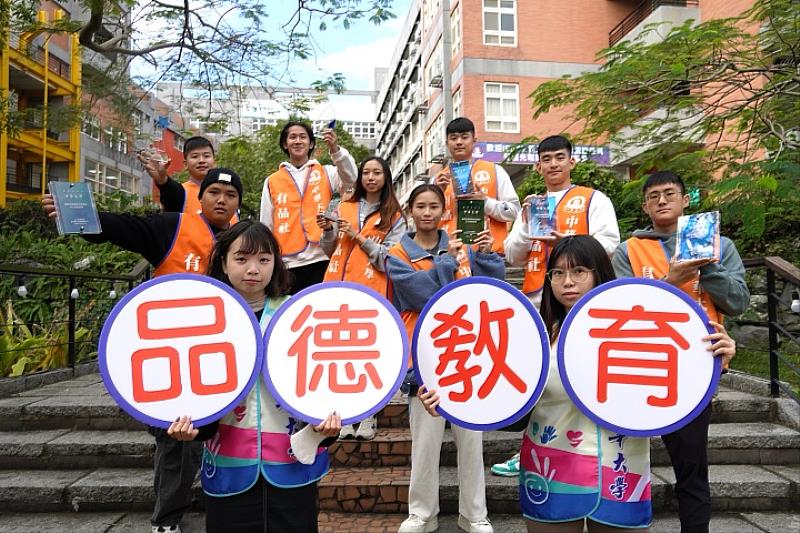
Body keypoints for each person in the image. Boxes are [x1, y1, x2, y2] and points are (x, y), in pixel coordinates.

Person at [420, 235, 736, 533]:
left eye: (579, 271)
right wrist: (451, 403)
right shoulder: (535, 338)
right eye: (557, 273)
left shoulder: (642, 334)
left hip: (621, 475)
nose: (567, 282)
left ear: (600, 273)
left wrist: (711, 359)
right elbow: (513, 412)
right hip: (551, 476)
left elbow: (677, 389)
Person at [43, 168, 243, 533]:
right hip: (167, 357)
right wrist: (80, 218)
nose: (221, 200)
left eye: (230, 195)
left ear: (238, 203)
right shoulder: (173, 227)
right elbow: (126, 228)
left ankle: (209, 507)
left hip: (220, 360)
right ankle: (166, 521)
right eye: (214, 191)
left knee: (207, 439)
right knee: (175, 440)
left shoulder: (243, 243)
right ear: (200, 197)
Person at [167, 220, 341, 532]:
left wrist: (327, 423)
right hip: (230, 467)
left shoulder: (300, 314)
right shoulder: (202, 317)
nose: (253, 269)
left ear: (276, 263)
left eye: (264, 260)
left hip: (292, 462)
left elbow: (323, 380)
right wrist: (191, 426)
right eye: (242, 258)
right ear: (223, 262)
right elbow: (192, 389)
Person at [612, 171, 749, 533]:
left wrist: (707, 264)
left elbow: (737, 303)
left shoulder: (721, 246)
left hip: (695, 369)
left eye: (669, 193)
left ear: (686, 200)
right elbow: (619, 308)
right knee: (618, 460)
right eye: (653, 196)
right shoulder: (628, 250)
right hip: (635, 368)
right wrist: (672, 280)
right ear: (644, 206)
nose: (661, 200)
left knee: (692, 469)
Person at [494, 134, 620, 478]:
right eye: (546, 159)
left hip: (582, 301)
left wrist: (565, 244)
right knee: (537, 377)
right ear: (537, 165)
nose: (553, 164)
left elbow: (610, 242)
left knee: (580, 370)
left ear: (572, 161)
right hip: (537, 297)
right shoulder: (531, 205)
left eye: (559, 157)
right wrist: (526, 228)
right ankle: (531, 448)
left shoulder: (592, 199)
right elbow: (511, 254)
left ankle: (589, 445)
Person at [386, 184, 504, 533]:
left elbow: (490, 292)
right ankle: (422, 513)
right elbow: (420, 294)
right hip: (424, 360)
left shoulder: (462, 246)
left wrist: (484, 255)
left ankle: (474, 514)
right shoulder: (397, 253)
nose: (427, 212)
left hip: (468, 356)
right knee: (424, 443)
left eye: (433, 206)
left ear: (444, 211)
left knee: (472, 441)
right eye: (420, 206)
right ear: (410, 210)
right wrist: (448, 262)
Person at [317, 155, 408, 441]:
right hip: (338, 288)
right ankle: (344, 414)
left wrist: (358, 237)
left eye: (376, 173)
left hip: (373, 292)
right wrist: (329, 231)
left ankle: (369, 414)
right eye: (366, 172)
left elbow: (392, 259)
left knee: (369, 355)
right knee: (341, 355)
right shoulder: (343, 206)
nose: (370, 177)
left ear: (386, 178)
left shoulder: (395, 215)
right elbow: (328, 249)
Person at [260, 120, 357, 294]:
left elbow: (351, 177)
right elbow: (266, 224)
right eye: (293, 137)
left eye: (303, 137)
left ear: (311, 143)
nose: (298, 141)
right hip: (287, 263)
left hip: (321, 258)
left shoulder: (327, 172)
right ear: (285, 144)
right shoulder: (272, 180)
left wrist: (335, 149)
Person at [433, 117, 520, 254]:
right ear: (447, 143)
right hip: (450, 256)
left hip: (488, 254)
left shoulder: (494, 171)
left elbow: (514, 211)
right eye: (454, 138)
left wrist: (485, 202)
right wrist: (437, 194)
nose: (459, 142)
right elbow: (428, 220)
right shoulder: (439, 180)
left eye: (464, 137)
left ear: (474, 140)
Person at [140, 136, 236, 219]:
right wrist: (163, 181)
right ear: (185, 164)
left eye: (206, 156)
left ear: (214, 162)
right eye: (195, 156)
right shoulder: (181, 193)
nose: (201, 160)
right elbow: (169, 191)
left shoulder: (230, 192)